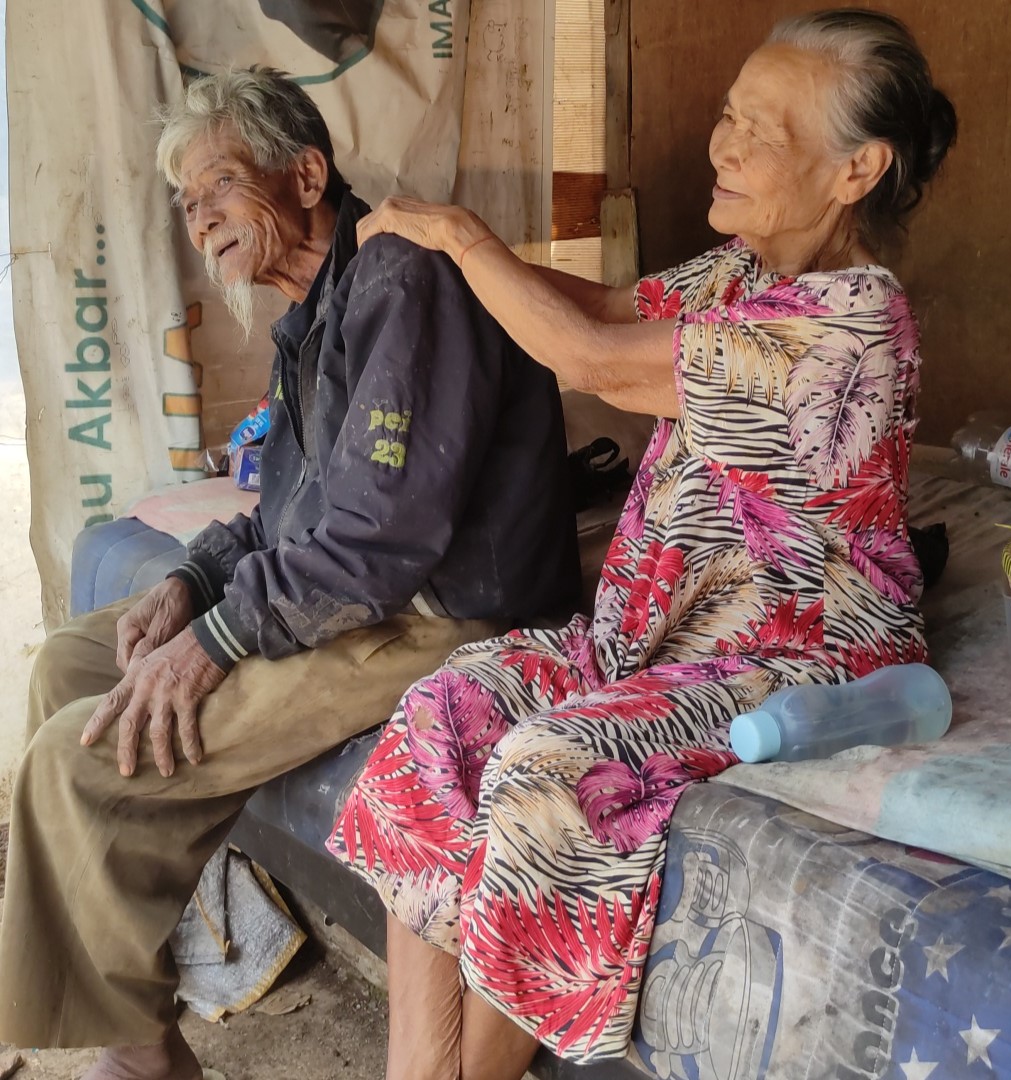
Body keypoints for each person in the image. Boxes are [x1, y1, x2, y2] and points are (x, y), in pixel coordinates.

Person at [326, 9, 957, 1077]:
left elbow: (592, 359)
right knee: (448, 706)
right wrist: (460, 267)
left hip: (790, 657)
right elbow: (611, 307)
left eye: (760, 130)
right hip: (653, 640)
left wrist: (466, 243)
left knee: (545, 769)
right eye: (728, 116)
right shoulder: (739, 274)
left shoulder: (851, 323)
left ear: (857, 170)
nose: (723, 145)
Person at [0, 68, 580, 1079]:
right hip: (361, 593)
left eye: (220, 184)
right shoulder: (313, 315)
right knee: (69, 667)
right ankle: (139, 1025)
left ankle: (138, 1061)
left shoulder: (402, 277)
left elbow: (382, 539)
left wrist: (217, 640)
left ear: (306, 177)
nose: (200, 218)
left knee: (74, 759)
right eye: (187, 203)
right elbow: (287, 516)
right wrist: (191, 584)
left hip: (444, 615)